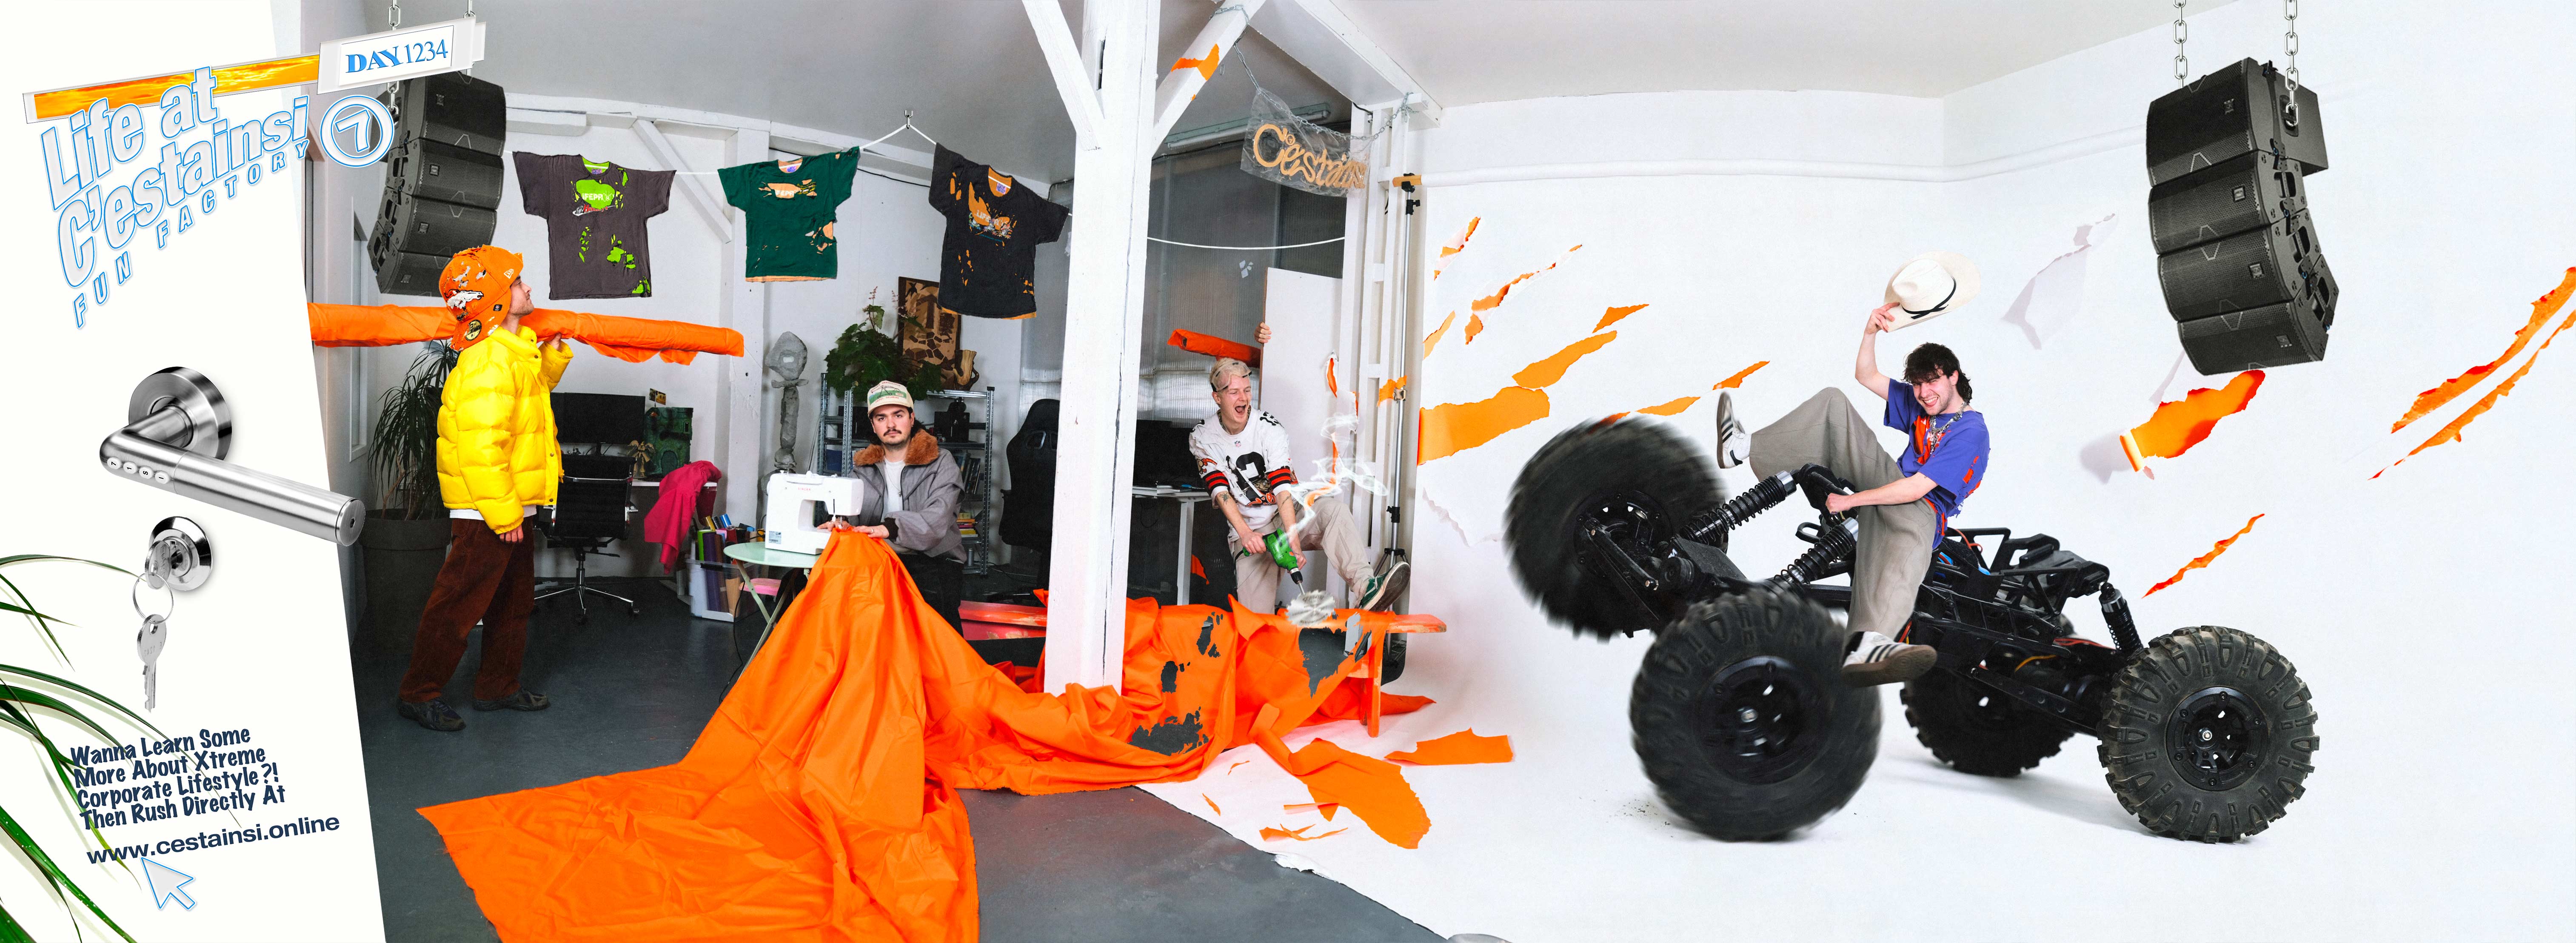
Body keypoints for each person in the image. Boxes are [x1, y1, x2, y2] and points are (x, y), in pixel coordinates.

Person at [1715, 302, 1991, 687]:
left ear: (1953, 377)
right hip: (1890, 482)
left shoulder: (1971, 431)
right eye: (1917, 384)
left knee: (1911, 527)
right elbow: (1866, 375)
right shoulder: (1922, 404)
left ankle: (1868, 646)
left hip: (1922, 509)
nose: (1923, 393)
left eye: (1932, 382)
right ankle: (1741, 448)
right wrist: (1870, 332)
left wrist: (1852, 501)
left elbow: (1916, 488)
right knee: (1834, 402)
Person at [397, 245, 575, 731]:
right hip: (488, 511)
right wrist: (503, 514)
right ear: (495, 298)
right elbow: (482, 446)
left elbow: (527, 404)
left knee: (512, 605)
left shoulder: (511, 353)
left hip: (514, 503)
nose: (528, 287)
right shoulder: (488, 361)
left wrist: (552, 358)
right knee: (458, 607)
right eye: (516, 282)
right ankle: (418, 693)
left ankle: (498, 686)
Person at [1192, 353, 1408, 613]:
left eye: (1247, 390)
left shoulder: (1269, 428)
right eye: (1234, 392)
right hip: (1249, 531)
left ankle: (1366, 588)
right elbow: (1220, 491)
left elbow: (1282, 488)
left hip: (1288, 512)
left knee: (1333, 511)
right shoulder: (1203, 435)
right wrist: (1246, 534)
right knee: (1255, 622)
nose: (1244, 398)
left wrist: (1293, 539)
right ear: (1217, 397)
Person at [839, 380, 968, 631]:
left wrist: (889, 528)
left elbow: (937, 519)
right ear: (874, 426)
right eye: (881, 418)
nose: (891, 424)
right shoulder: (863, 470)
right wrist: (840, 524)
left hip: (935, 559)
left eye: (898, 415)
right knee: (821, 590)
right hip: (881, 557)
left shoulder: (941, 462)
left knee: (929, 619)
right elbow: (851, 516)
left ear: (912, 418)